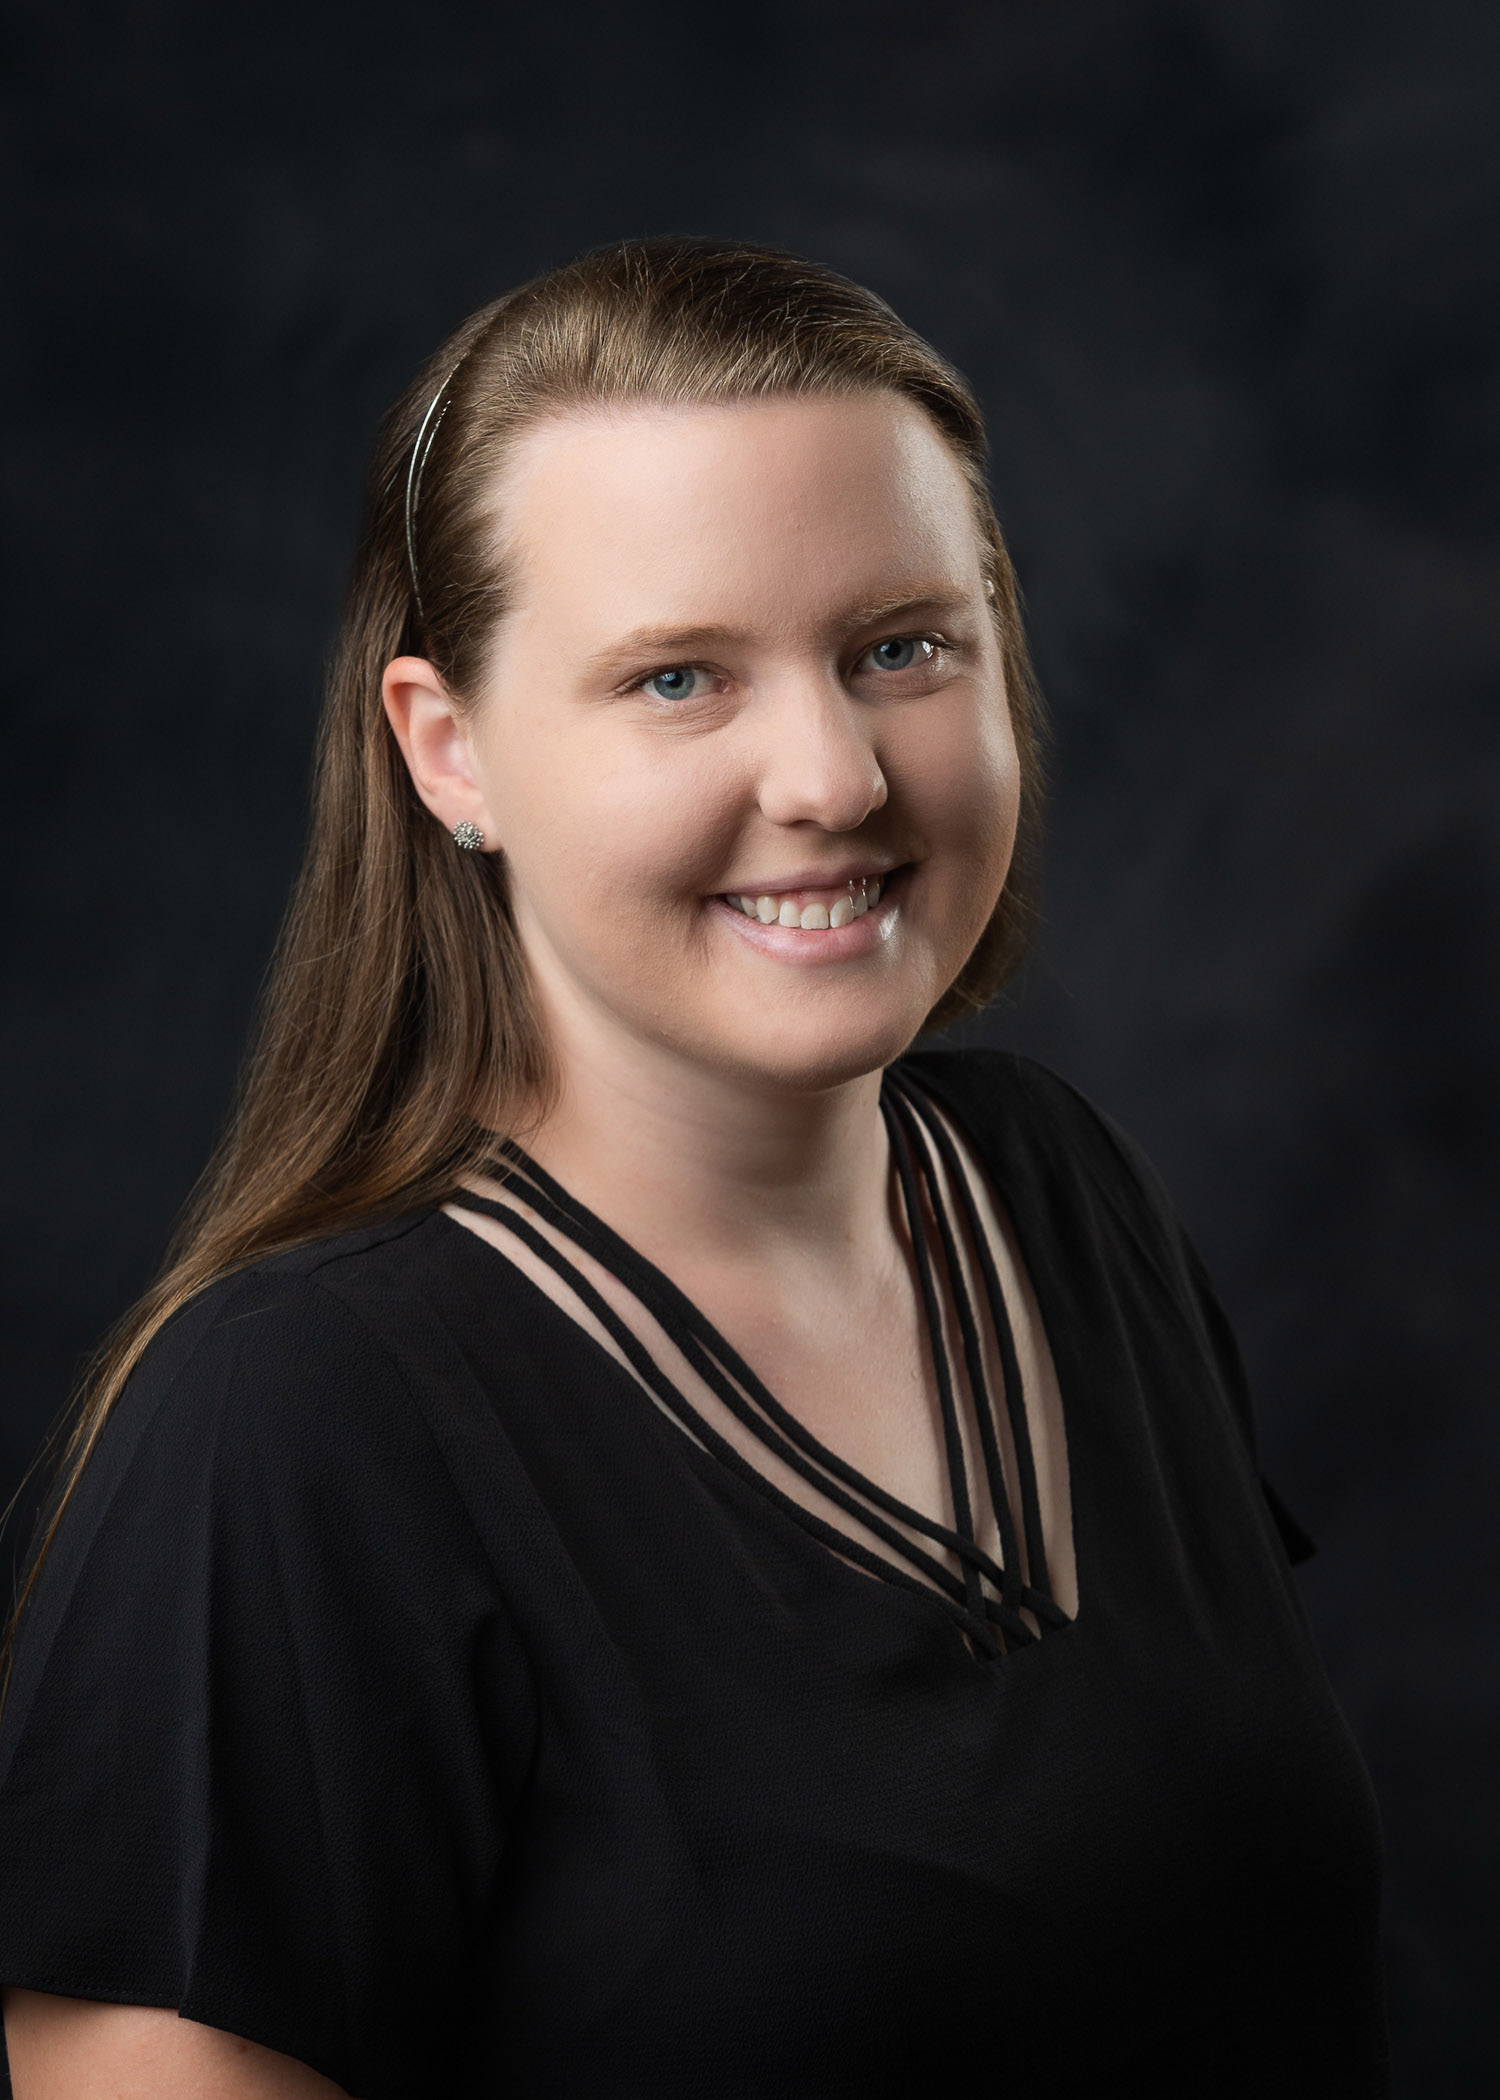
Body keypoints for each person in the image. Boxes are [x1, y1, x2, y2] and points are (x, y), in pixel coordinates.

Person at [0, 239, 1389, 2098]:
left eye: (901, 646)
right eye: (677, 679)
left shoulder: (1066, 1201)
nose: (830, 775)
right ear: (449, 750)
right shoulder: (295, 1421)